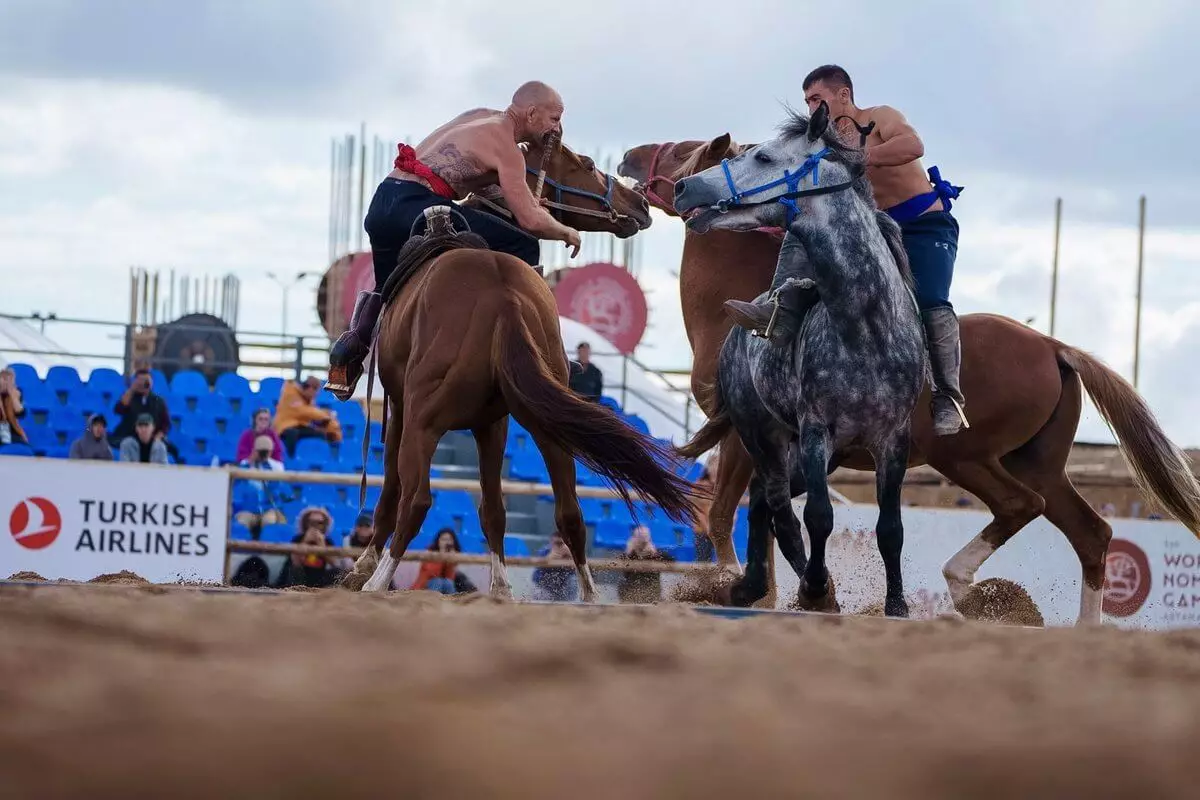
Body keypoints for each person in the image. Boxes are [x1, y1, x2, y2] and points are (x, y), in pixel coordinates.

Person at [724, 65, 967, 436]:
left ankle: (948, 395)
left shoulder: (880, 117)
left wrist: (855, 158)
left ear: (843, 95)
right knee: (802, 223)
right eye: (807, 102)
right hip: (875, 231)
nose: (811, 108)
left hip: (923, 227)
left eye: (817, 98)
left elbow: (912, 146)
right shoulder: (821, 141)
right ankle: (778, 309)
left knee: (932, 301)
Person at [326, 80, 585, 400]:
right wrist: (565, 231)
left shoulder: (478, 117)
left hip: (384, 202)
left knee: (387, 285)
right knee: (524, 244)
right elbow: (530, 221)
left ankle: (349, 351)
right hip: (420, 204)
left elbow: (482, 186)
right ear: (531, 113)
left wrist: (525, 202)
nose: (557, 129)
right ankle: (537, 340)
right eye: (554, 119)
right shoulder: (507, 149)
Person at [110, 368, 177, 455]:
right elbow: (119, 409)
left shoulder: (158, 401)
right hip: (130, 437)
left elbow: (166, 424)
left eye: (146, 381)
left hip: (152, 438)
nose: (143, 384)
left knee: (171, 450)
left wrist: (159, 436)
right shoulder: (130, 398)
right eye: (140, 380)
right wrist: (132, 389)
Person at [231, 435, 289, 533]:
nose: (263, 454)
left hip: (268, 509)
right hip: (249, 509)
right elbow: (235, 482)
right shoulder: (246, 464)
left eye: (265, 451)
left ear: (271, 451)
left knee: (269, 522)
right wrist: (251, 461)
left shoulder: (277, 466)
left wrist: (267, 466)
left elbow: (279, 488)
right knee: (241, 523)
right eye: (261, 451)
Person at [274, 376, 342, 458]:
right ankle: (290, 459)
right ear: (309, 388)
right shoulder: (290, 392)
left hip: (299, 426)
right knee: (292, 433)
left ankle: (317, 458)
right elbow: (303, 411)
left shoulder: (307, 399)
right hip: (284, 427)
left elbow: (312, 411)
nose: (316, 394)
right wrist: (326, 415)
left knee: (320, 434)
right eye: (316, 390)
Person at [616, 525, 675, 604]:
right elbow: (625, 574)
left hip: (652, 592)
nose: (642, 545)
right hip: (632, 591)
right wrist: (629, 553)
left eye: (644, 542)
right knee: (622, 583)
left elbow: (673, 561)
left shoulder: (655, 553)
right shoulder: (630, 554)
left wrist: (655, 554)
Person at [410, 528, 478, 595]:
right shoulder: (429, 553)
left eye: (449, 539)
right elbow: (432, 574)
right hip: (424, 588)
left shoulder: (453, 554)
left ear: (453, 542)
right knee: (437, 581)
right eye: (443, 539)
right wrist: (441, 554)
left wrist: (451, 561)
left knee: (448, 582)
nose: (446, 542)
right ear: (438, 541)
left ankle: (452, 603)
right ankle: (432, 601)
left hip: (443, 588)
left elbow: (449, 578)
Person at [531, 532, 578, 602]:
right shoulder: (544, 552)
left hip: (566, 586)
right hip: (546, 586)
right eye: (557, 543)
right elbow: (535, 577)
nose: (560, 547)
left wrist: (571, 558)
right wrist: (548, 560)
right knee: (538, 593)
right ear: (551, 543)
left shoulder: (573, 553)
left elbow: (582, 573)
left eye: (563, 543)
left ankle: (570, 605)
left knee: (573, 580)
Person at [0, 366, 27, 446]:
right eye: (4, 379)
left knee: (24, 447)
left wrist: (13, 396)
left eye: (11, 381)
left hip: (11, 431)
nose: (7, 383)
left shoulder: (16, 394)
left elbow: (21, 414)